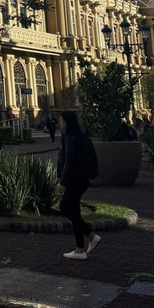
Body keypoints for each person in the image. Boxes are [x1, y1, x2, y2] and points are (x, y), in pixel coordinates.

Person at [57, 111, 101, 260]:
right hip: (79, 179)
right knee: (66, 208)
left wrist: (63, 182)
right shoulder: (77, 136)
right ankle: (90, 236)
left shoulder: (72, 138)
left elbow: (69, 162)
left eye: (61, 120)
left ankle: (80, 249)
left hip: (74, 180)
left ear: (67, 122)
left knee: (72, 211)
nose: (59, 123)